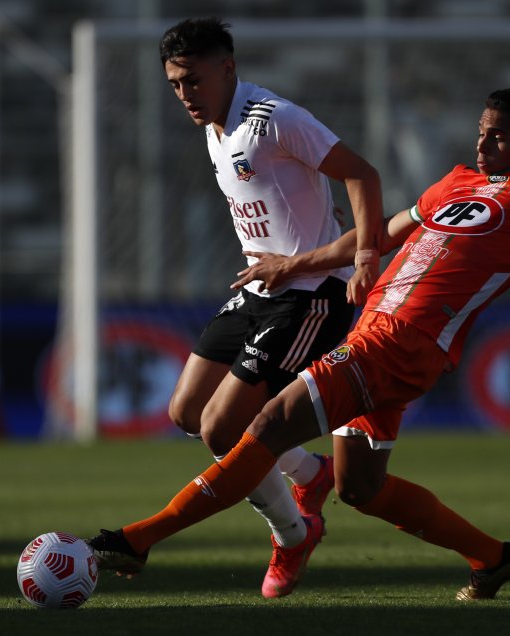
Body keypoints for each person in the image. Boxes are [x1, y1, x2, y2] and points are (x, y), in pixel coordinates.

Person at [89, 87, 510, 600]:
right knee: (360, 487)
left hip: (403, 342)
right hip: (373, 331)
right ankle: (493, 558)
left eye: (497, 134)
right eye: (481, 129)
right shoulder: (456, 181)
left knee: (270, 423)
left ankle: (139, 540)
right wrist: (295, 262)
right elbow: (380, 233)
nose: (482, 142)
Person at [152, 18, 383, 598]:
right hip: (259, 290)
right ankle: (309, 473)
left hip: (309, 296)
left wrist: (362, 260)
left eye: (193, 80)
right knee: (185, 412)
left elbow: (362, 174)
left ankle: (292, 534)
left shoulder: (274, 118)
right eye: (175, 83)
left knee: (221, 429)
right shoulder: (214, 128)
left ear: (227, 68)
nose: (184, 94)